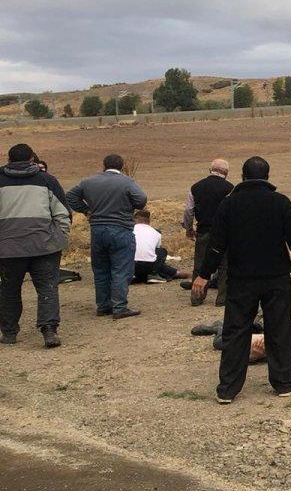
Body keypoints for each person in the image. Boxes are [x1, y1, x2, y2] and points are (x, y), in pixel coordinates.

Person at [192, 156, 291, 404]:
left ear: (242, 177)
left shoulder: (229, 205)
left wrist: (204, 275)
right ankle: (282, 383)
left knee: (235, 331)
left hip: (241, 279)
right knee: (278, 328)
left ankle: (228, 388)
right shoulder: (281, 202)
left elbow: (216, 246)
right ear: (268, 177)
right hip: (276, 278)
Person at [0, 144, 72, 347]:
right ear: (32, 159)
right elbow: (63, 213)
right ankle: (49, 331)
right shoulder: (47, 180)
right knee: (47, 288)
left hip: (8, 249)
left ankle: (9, 333)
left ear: (9, 159)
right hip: (45, 246)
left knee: (8, 290)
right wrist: (61, 238)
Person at [66, 153, 147, 319]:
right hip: (121, 229)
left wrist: (86, 210)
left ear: (103, 165)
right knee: (121, 268)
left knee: (101, 269)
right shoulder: (126, 182)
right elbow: (141, 199)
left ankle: (103, 306)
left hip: (97, 229)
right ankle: (120, 307)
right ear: (122, 166)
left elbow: (70, 196)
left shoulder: (89, 181)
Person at [182, 159, 233, 306]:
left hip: (203, 230)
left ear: (210, 170)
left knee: (200, 264)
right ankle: (222, 298)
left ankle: (197, 297)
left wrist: (189, 228)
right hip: (224, 233)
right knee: (224, 265)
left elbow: (188, 211)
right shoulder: (231, 189)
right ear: (226, 173)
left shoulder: (196, 187)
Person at [132, 210, 191, 284]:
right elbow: (155, 253)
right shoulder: (156, 233)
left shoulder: (129, 230)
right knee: (161, 251)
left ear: (135, 219)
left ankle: (132, 275)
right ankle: (153, 274)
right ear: (148, 221)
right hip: (149, 267)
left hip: (130, 266)